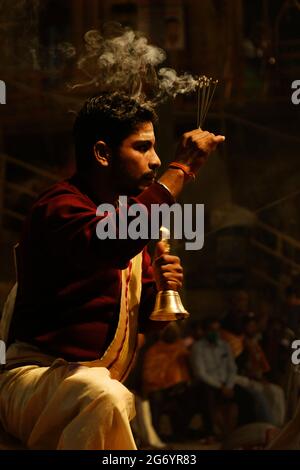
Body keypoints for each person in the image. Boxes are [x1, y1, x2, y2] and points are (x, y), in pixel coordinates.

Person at [0, 91, 225, 450]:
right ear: (102, 153)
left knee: (102, 393)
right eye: (142, 148)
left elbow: (147, 322)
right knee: (102, 395)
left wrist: (163, 292)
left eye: (156, 149)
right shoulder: (60, 207)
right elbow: (109, 243)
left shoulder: (123, 221)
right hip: (33, 382)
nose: (156, 161)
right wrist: (180, 170)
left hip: (83, 388)